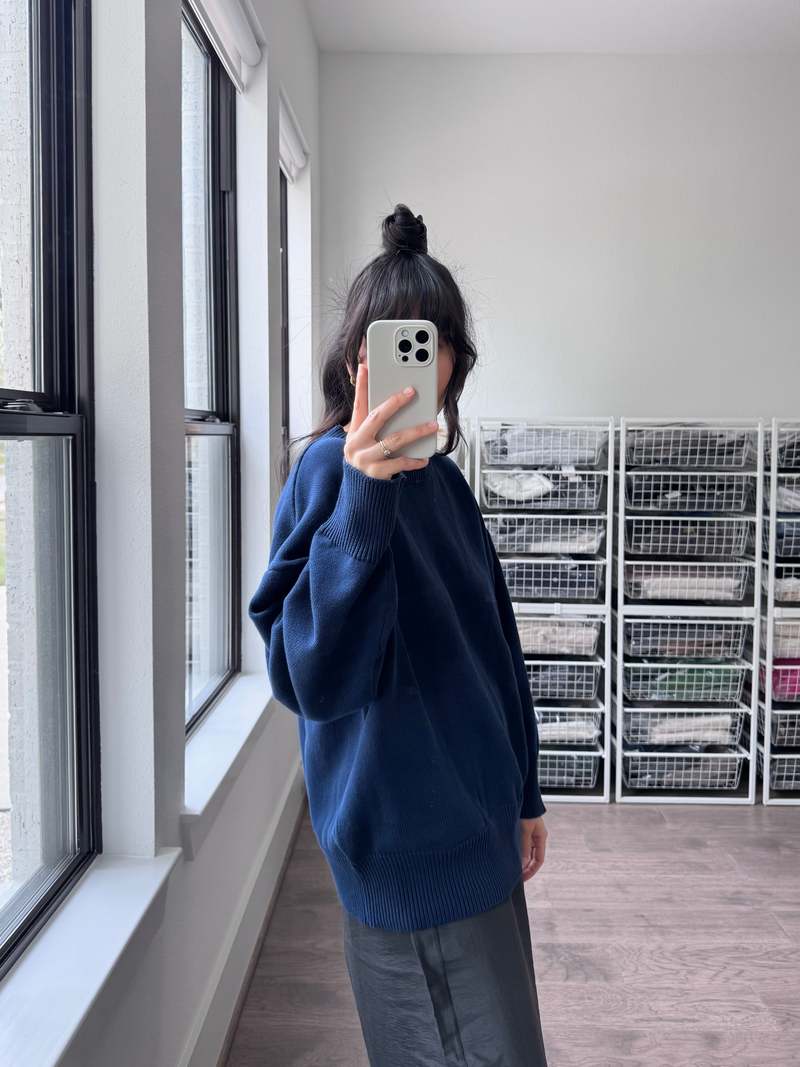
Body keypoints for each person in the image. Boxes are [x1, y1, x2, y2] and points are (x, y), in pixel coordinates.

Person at [249, 203, 549, 1066]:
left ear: (454, 362)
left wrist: (525, 792)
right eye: (400, 341)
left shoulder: (446, 485)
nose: (424, 359)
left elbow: (497, 647)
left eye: (436, 341)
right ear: (360, 361)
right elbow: (311, 675)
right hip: (401, 847)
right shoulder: (323, 474)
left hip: (479, 827)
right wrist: (364, 498)